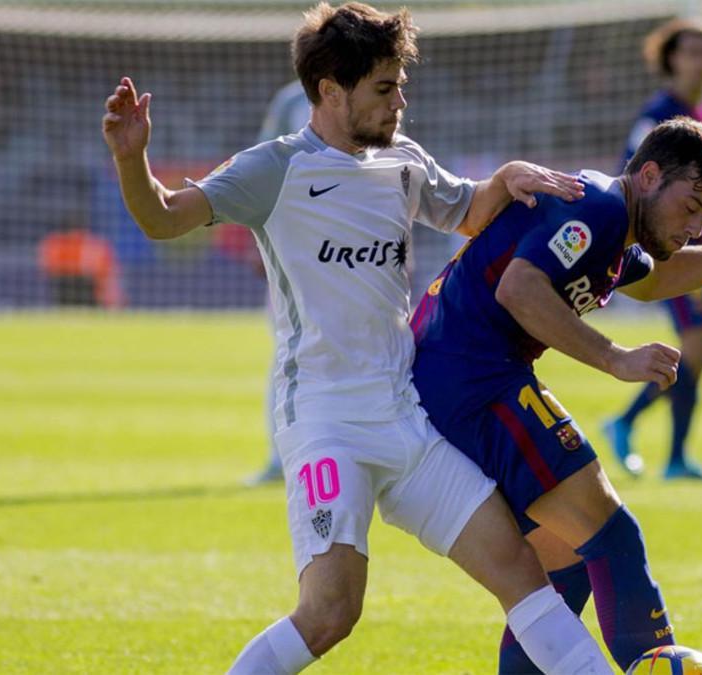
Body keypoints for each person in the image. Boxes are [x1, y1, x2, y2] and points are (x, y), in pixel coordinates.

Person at [100, 3, 613, 674]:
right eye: (383, 87)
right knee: (331, 612)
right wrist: (132, 160)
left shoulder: (402, 162)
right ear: (330, 92)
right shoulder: (272, 169)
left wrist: (508, 174)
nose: (400, 101)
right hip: (325, 420)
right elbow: (163, 219)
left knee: (520, 567)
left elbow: (465, 208)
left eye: (400, 84)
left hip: (404, 415)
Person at [410, 117, 702, 672]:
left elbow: (659, 279)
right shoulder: (600, 208)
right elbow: (518, 288)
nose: (694, 227)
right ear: (650, 174)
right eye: (690, 208)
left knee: (564, 558)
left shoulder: (614, 223)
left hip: (457, 375)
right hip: (472, 380)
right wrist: (615, 357)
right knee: (613, 535)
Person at [602, 16, 702, 483]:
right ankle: (636, 429)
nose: (699, 61)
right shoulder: (659, 114)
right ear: (671, 56)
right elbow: (633, 173)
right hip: (670, 246)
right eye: (690, 50)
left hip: (697, 243)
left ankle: (671, 452)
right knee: (700, 345)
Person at [243, 80, 312, 486]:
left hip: (356, 252)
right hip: (292, 246)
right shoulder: (290, 99)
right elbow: (261, 165)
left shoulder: (370, 94)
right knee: (288, 351)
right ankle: (280, 458)